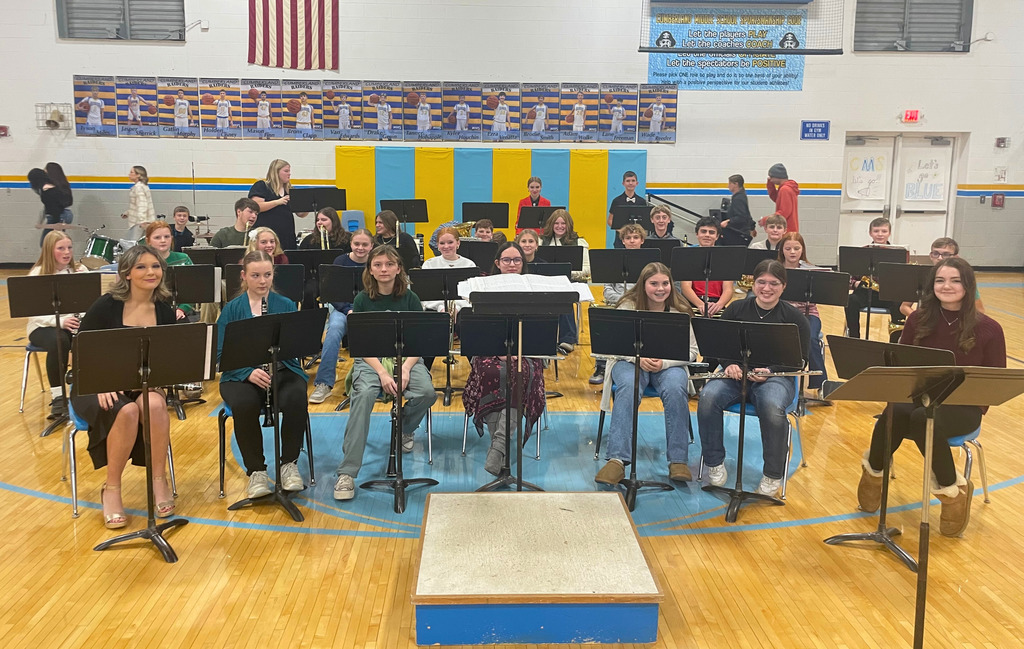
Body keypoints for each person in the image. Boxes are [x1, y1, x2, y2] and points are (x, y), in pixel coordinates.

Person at [856, 258, 1005, 537]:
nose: (946, 286)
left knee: (923, 418)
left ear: (968, 285)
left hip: (964, 407)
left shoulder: (990, 328)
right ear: (931, 285)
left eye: (955, 280)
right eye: (940, 280)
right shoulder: (917, 319)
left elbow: (994, 384)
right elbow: (902, 367)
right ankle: (874, 473)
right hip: (919, 397)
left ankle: (952, 492)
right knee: (896, 411)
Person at [69, 245, 177, 529]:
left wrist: (159, 383)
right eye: (141, 267)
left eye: (155, 266)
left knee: (154, 406)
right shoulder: (106, 305)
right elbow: (79, 353)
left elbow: (167, 359)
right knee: (126, 411)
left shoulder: (164, 309)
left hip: (141, 382)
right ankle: (112, 489)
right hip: (95, 382)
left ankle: (158, 479)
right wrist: (100, 382)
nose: (150, 272)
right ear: (127, 273)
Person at [697, 259, 810, 497]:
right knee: (708, 397)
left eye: (774, 283)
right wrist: (729, 364)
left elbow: (800, 359)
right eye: (761, 282)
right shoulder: (736, 309)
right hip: (736, 375)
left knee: (770, 404)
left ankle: (772, 474)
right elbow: (719, 345)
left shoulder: (795, 318)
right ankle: (714, 462)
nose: (766, 288)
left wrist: (770, 370)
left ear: (784, 286)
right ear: (753, 283)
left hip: (776, 376)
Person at [333, 246, 436, 501]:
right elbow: (360, 345)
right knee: (363, 396)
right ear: (370, 269)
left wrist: (406, 367)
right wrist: (381, 372)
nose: (384, 269)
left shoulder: (411, 298)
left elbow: (420, 340)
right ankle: (347, 472)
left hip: (407, 357)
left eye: (389, 264)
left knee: (426, 392)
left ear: (398, 268)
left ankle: (404, 428)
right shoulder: (362, 300)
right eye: (377, 265)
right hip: (372, 359)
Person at [217, 251, 310, 499]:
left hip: (281, 369)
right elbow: (220, 354)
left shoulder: (286, 305)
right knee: (244, 403)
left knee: (296, 396)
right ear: (244, 276)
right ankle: (256, 471)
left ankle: (289, 463)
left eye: (267, 275)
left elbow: (296, 347)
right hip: (241, 374)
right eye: (255, 275)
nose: (262, 281)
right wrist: (247, 372)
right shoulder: (232, 309)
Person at [595, 262, 698, 485]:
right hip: (629, 361)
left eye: (665, 283)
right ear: (643, 285)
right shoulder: (627, 306)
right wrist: (638, 359)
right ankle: (617, 460)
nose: (660, 289)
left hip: (668, 365)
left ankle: (678, 460)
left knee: (675, 387)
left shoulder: (681, 310)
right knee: (629, 387)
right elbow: (613, 346)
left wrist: (664, 363)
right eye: (654, 284)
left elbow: (692, 352)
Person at [462, 242, 547, 475]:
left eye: (517, 260)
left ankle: (498, 448)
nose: (512, 264)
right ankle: (502, 449)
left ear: (523, 263)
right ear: (497, 263)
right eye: (506, 260)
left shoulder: (534, 288)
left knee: (520, 373)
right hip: (488, 350)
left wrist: (518, 350)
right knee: (492, 372)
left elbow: (542, 330)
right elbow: (476, 327)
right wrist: (496, 349)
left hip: (527, 352)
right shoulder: (482, 287)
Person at [25, 231, 88, 418]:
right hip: (43, 327)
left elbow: (89, 301)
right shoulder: (38, 274)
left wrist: (81, 318)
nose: (67, 252)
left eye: (69, 247)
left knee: (92, 337)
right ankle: (59, 397)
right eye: (61, 248)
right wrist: (59, 321)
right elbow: (34, 312)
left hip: (71, 324)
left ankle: (87, 391)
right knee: (59, 341)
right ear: (49, 250)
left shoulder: (79, 270)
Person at [308, 229, 374, 404]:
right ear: (351, 244)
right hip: (343, 309)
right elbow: (332, 293)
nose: (360, 248)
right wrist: (348, 310)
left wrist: (360, 309)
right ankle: (324, 383)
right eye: (356, 244)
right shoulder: (340, 261)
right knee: (334, 330)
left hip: (368, 309)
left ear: (371, 246)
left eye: (365, 244)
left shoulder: (375, 262)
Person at [592, 224, 647, 385]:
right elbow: (607, 291)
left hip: (640, 306)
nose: (632, 241)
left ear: (642, 240)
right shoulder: (613, 262)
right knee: (601, 324)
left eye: (635, 237)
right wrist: (624, 301)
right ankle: (601, 366)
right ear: (622, 241)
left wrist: (634, 301)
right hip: (617, 305)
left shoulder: (648, 264)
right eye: (628, 238)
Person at [777, 232, 827, 392]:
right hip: (781, 314)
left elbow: (817, 298)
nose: (792, 252)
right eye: (788, 248)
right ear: (782, 250)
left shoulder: (811, 271)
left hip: (808, 314)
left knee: (811, 338)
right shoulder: (775, 270)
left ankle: (821, 384)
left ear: (802, 249)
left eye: (796, 248)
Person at [844, 217, 904, 339]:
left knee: (899, 304)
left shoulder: (898, 253)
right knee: (850, 301)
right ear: (870, 233)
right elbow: (850, 276)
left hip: (888, 294)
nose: (880, 234)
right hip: (865, 292)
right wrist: (855, 283)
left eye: (884, 231)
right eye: (876, 231)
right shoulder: (861, 252)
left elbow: (903, 277)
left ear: (889, 233)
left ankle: (895, 343)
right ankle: (854, 339)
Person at [539, 209, 588, 354]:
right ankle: (543, 336)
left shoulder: (579, 242)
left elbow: (587, 269)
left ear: (569, 225)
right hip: (546, 281)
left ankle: (568, 339)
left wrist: (565, 271)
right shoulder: (541, 241)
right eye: (556, 223)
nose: (560, 226)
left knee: (564, 295)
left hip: (570, 282)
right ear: (551, 224)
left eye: (563, 223)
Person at [298, 207, 352, 308]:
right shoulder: (309, 240)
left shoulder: (347, 239)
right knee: (309, 291)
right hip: (317, 278)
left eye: (324, 220)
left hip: (340, 277)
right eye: (317, 220)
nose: (319, 223)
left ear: (333, 222)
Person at [681, 217, 734, 317]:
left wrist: (718, 305)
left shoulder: (725, 258)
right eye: (703, 231)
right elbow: (686, 287)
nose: (707, 235)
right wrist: (700, 305)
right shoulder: (688, 257)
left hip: (717, 305)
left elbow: (728, 289)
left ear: (717, 236)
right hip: (694, 304)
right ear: (697, 234)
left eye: (711, 232)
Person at [249, 159, 307, 247]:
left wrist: (308, 205)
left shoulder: (290, 190)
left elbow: (300, 214)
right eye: (286, 171)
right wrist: (278, 202)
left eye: (289, 171)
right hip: (266, 234)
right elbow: (256, 207)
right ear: (276, 172)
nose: (289, 174)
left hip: (287, 235)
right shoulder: (262, 186)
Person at [143, 220, 194, 321]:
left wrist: (182, 309)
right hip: (149, 311)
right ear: (148, 240)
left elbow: (193, 288)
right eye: (157, 237)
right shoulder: (141, 262)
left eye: (167, 236)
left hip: (178, 312)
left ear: (171, 238)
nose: (163, 240)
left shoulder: (184, 258)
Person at [608, 171, 648, 248]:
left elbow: (645, 221)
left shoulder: (642, 201)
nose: (630, 183)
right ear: (623, 183)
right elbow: (610, 220)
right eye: (628, 181)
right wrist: (622, 231)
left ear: (637, 183)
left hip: (636, 240)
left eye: (633, 181)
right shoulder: (616, 201)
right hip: (620, 240)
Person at [28, 168, 65, 246]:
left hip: (56, 217)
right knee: (52, 243)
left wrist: (56, 224)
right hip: (57, 216)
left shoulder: (47, 191)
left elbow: (55, 208)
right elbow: (47, 207)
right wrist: (40, 221)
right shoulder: (49, 188)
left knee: (46, 243)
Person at [121, 166, 155, 241]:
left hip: (139, 223)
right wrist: (128, 213)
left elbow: (142, 205)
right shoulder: (143, 186)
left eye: (131, 172)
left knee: (134, 244)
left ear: (138, 175)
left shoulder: (138, 187)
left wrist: (142, 221)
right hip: (143, 221)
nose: (129, 174)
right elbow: (137, 205)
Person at [720, 174, 756, 246]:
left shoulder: (738, 198)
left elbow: (742, 216)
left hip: (738, 233)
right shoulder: (741, 196)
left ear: (736, 184)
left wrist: (728, 221)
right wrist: (752, 227)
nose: (728, 186)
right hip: (742, 231)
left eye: (730, 183)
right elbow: (746, 213)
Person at [764, 163, 799, 232]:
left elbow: (784, 212)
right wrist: (770, 185)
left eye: (771, 177)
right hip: (790, 229)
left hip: (787, 231)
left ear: (777, 176)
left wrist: (767, 220)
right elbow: (776, 199)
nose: (771, 180)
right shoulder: (787, 188)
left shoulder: (785, 189)